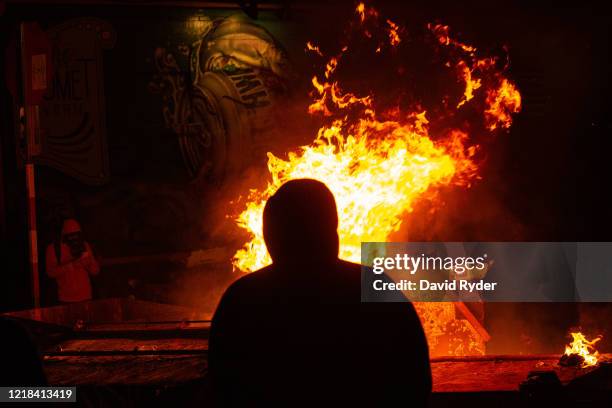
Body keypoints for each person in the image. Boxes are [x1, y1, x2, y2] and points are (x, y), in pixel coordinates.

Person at [209, 179, 431, 407]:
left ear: (272, 237)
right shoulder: (375, 287)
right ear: (332, 232)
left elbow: (224, 390)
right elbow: (415, 383)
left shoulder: (242, 300)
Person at [45, 218, 99, 303]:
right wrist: (71, 265)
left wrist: (88, 263)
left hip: (86, 296)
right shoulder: (54, 249)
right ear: (64, 234)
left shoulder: (84, 245)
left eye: (76, 235)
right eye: (71, 235)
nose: (74, 238)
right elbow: (50, 272)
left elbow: (95, 271)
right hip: (65, 299)